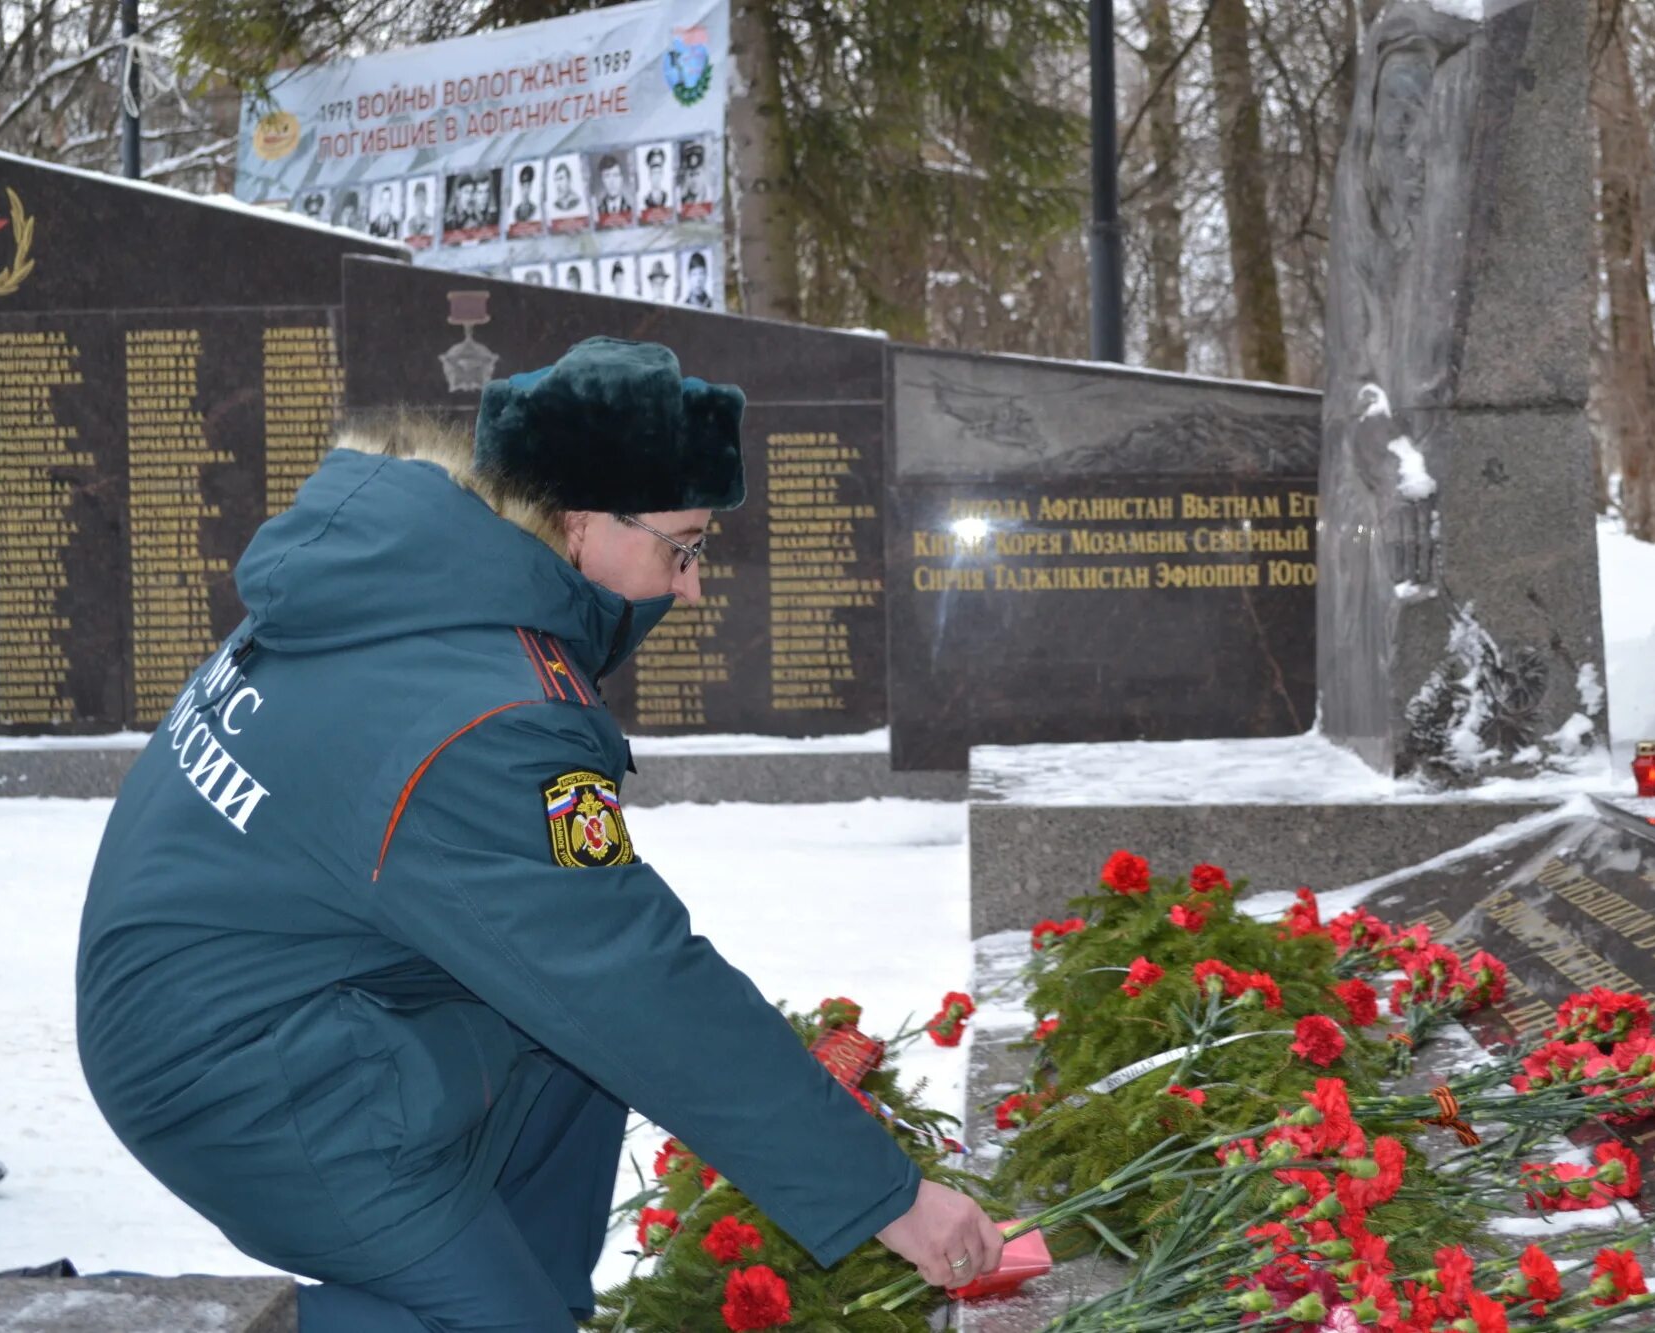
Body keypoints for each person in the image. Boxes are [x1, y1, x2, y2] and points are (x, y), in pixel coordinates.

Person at [74, 339, 1004, 1332]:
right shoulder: (487, 714)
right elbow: (633, 978)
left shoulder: (410, 575)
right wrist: (888, 1197)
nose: (690, 586)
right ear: (575, 523)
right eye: (681, 546)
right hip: (239, 1073)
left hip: (256, 985)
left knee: (571, 1051)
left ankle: (535, 1297)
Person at [594, 154, 631, 224]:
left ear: (621, 179)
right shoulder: (597, 212)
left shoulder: (632, 209)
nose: (612, 182)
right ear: (602, 179)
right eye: (607, 176)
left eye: (616, 175)